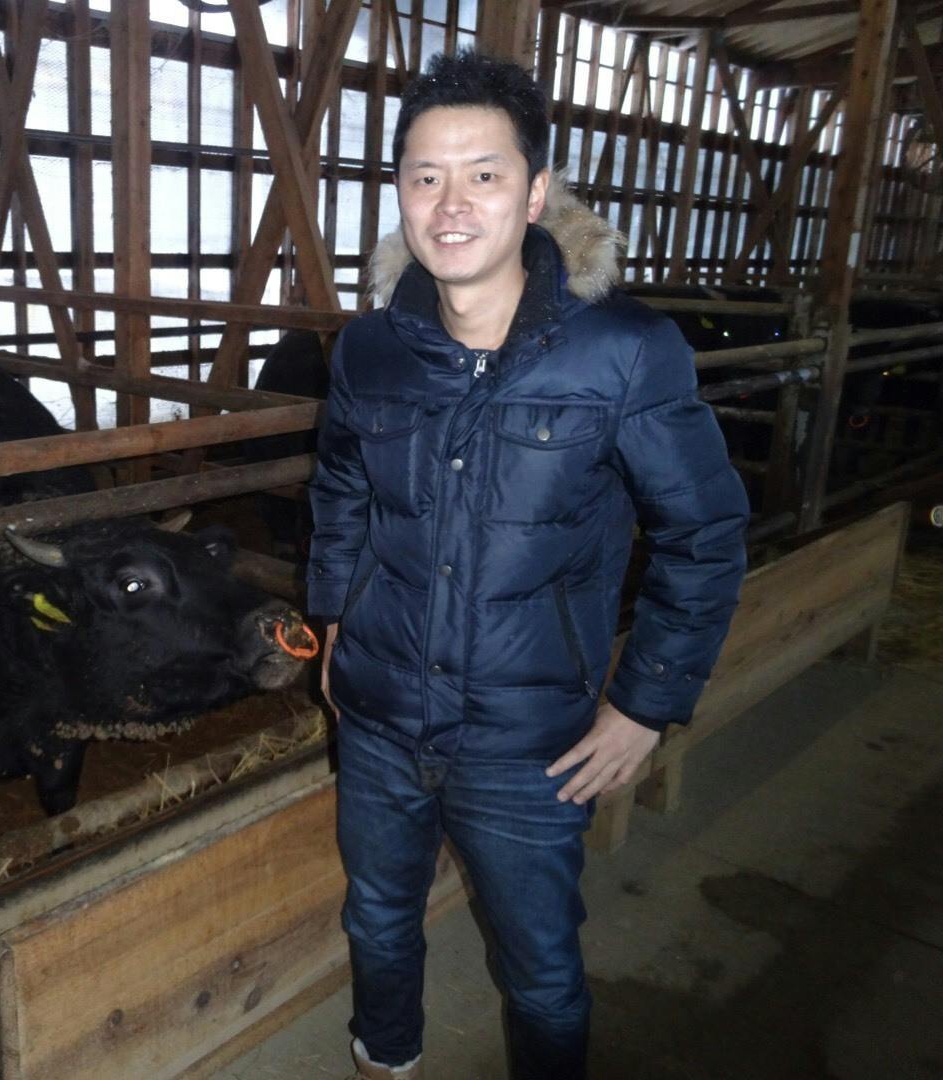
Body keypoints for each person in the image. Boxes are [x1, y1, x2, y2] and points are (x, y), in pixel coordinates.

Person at [306, 49, 750, 1080]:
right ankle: (386, 1061)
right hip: (378, 718)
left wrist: (646, 703)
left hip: (527, 743)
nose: (451, 203)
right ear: (400, 192)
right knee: (376, 920)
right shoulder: (369, 350)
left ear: (537, 192)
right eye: (425, 176)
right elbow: (339, 494)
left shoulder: (623, 352)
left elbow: (705, 533)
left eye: (484, 174)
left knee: (541, 971)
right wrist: (332, 624)